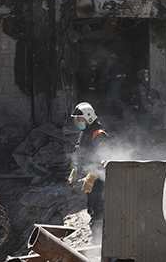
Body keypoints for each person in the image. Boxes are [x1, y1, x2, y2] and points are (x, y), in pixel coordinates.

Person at [67, 102, 108, 244]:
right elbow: (79, 154)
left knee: (99, 209)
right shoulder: (84, 134)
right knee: (92, 208)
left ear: (89, 118)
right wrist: (74, 172)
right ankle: (97, 241)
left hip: (99, 180)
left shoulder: (99, 134)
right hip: (89, 180)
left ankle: (99, 243)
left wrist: (90, 179)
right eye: (76, 120)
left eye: (80, 119)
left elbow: (102, 159)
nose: (78, 122)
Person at [102, 51, 127, 116]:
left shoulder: (111, 61)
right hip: (116, 80)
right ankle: (114, 110)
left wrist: (102, 76)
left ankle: (119, 112)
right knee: (109, 95)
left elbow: (106, 70)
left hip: (116, 80)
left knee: (115, 96)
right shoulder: (117, 61)